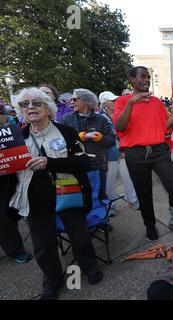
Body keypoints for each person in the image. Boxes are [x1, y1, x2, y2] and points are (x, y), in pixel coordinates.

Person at [10, 87, 103, 300]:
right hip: (34, 201)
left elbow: (83, 162)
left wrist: (49, 162)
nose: (30, 107)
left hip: (68, 194)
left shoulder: (66, 132)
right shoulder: (16, 138)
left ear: (48, 107)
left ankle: (89, 267)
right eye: (25, 104)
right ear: (21, 110)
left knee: (80, 238)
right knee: (43, 247)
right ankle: (52, 281)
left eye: (36, 103)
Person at [113, 66, 173, 238]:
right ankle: (150, 225)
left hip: (159, 151)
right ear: (132, 79)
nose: (146, 80)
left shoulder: (156, 102)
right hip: (135, 154)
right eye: (142, 76)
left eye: (148, 78)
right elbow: (119, 126)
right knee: (144, 193)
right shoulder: (123, 101)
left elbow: (164, 125)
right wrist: (131, 102)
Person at [61, 89, 116, 200]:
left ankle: (99, 216)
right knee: (80, 197)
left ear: (86, 101)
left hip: (98, 165)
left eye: (75, 99)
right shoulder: (66, 119)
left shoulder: (101, 119)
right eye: (71, 99)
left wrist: (100, 138)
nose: (71, 102)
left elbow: (111, 141)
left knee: (100, 196)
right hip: (76, 165)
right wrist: (80, 137)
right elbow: (61, 142)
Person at [98, 91, 139, 216]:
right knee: (110, 182)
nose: (115, 102)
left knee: (128, 177)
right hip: (109, 155)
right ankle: (111, 207)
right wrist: (118, 149)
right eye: (112, 101)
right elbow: (108, 137)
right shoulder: (100, 117)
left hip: (123, 151)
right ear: (104, 104)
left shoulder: (118, 113)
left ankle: (133, 200)